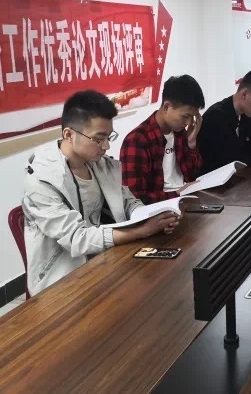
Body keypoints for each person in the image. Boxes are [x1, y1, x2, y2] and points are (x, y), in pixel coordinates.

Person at [22, 91, 180, 295]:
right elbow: (77, 238)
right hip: (62, 278)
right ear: (69, 135)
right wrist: (142, 231)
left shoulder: (99, 164)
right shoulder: (41, 180)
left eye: (108, 137)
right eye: (98, 139)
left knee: (159, 286)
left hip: (101, 260)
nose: (106, 146)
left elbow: (127, 201)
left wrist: (150, 217)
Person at [120, 75, 205, 204]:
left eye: (192, 117)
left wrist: (191, 145)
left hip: (187, 199)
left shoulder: (179, 132)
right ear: (166, 107)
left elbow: (193, 175)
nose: (188, 123)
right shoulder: (137, 141)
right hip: (162, 207)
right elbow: (135, 197)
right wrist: (178, 194)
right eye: (185, 116)